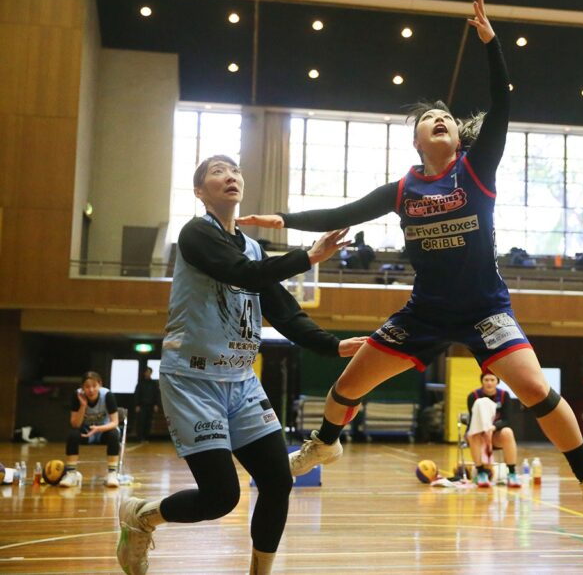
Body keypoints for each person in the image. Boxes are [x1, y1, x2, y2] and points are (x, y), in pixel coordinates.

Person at [237, 0, 583, 536]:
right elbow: (342, 213)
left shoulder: (477, 167)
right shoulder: (403, 189)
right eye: (429, 119)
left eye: (446, 117)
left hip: (485, 310)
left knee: (536, 389)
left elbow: (503, 103)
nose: (440, 119)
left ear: (456, 136)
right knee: (345, 387)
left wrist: (491, 44)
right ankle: (324, 444)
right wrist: (281, 219)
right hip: (425, 313)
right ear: (417, 140)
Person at [116, 154, 361, 575]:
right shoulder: (196, 234)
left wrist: (333, 346)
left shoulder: (253, 248)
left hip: (241, 381)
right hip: (193, 379)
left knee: (278, 481)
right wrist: (307, 256)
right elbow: (242, 273)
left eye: (235, 171)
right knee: (220, 498)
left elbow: (284, 312)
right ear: (199, 191)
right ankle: (143, 516)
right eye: (217, 171)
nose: (230, 176)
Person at [60, 371, 121, 488]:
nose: (91, 390)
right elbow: (75, 424)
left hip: (103, 430)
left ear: (100, 385)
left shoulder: (108, 395)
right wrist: (83, 405)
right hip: (87, 431)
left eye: (94, 386)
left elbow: (115, 422)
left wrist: (98, 429)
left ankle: (112, 474)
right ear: (82, 387)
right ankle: (72, 474)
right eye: (87, 387)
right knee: (73, 435)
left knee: (114, 434)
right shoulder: (77, 396)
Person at [466, 371, 521, 488]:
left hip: (495, 433)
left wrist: (493, 427)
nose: (489, 383)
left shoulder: (504, 395)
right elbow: (472, 420)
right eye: (486, 380)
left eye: (492, 380)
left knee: (508, 432)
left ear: (497, 382)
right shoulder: (473, 396)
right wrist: (482, 430)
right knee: (472, 435)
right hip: (479, 433)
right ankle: (481, 473)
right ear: (482, 381)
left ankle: (512, 473)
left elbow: (507, 420)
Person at [133, 367, 160, 442]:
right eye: (147, 372)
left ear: (151, 373)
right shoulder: (140, 383)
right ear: (144, 373)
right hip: (142, 406)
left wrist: (156, 404)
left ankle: (146, 437)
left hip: (151, 406)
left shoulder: (154, 384)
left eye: (149, 372)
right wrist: (137, 405)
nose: (148, 373)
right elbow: (137, 394)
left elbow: (157, 394)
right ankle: (140, 437)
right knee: (141, 422)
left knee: (148, 422)